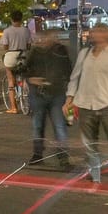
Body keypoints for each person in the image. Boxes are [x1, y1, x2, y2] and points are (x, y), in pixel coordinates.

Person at [65, 22, 108, 183]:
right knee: (90, 144)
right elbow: (75, 78)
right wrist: (69, 98)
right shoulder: (85, 54)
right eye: (95, 31)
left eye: (102, 31)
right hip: (85, 104)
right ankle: (95, 176)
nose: (97, 34)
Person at [15, 24, 74, 168]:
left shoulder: (60, 51)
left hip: (57, 93)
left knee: (59, 126)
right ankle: (37, 154)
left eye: (52, 37)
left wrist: (66, 88)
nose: (48, 40)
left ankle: (62, 156)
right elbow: (23, 69)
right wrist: (31, 79)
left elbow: (68, 70)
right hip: (38, 93)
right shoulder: (35, 52)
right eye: (47, 37)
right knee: (37, 125)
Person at [0, 13, 34, 114]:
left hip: (11, 55)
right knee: (25, 75)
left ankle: (14, 107)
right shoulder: (26, 30)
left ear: (11, 19)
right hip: (23, 55)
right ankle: (26, 90)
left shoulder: (7, 31)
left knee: (10, 79)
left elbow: (5, 46)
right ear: (21, 19)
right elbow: (29, 45)